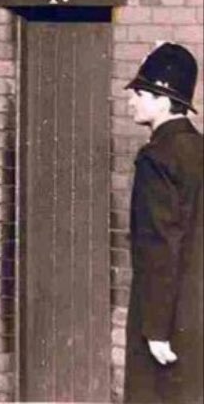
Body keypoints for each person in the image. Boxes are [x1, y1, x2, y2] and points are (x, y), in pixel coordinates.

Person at [124, 42, 202, 404]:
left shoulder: (157, 159)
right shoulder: (198, 151)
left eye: (140, 93)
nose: (131, 101)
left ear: (164, 100)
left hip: (167, 320)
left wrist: (154, 328)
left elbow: (158, 246)